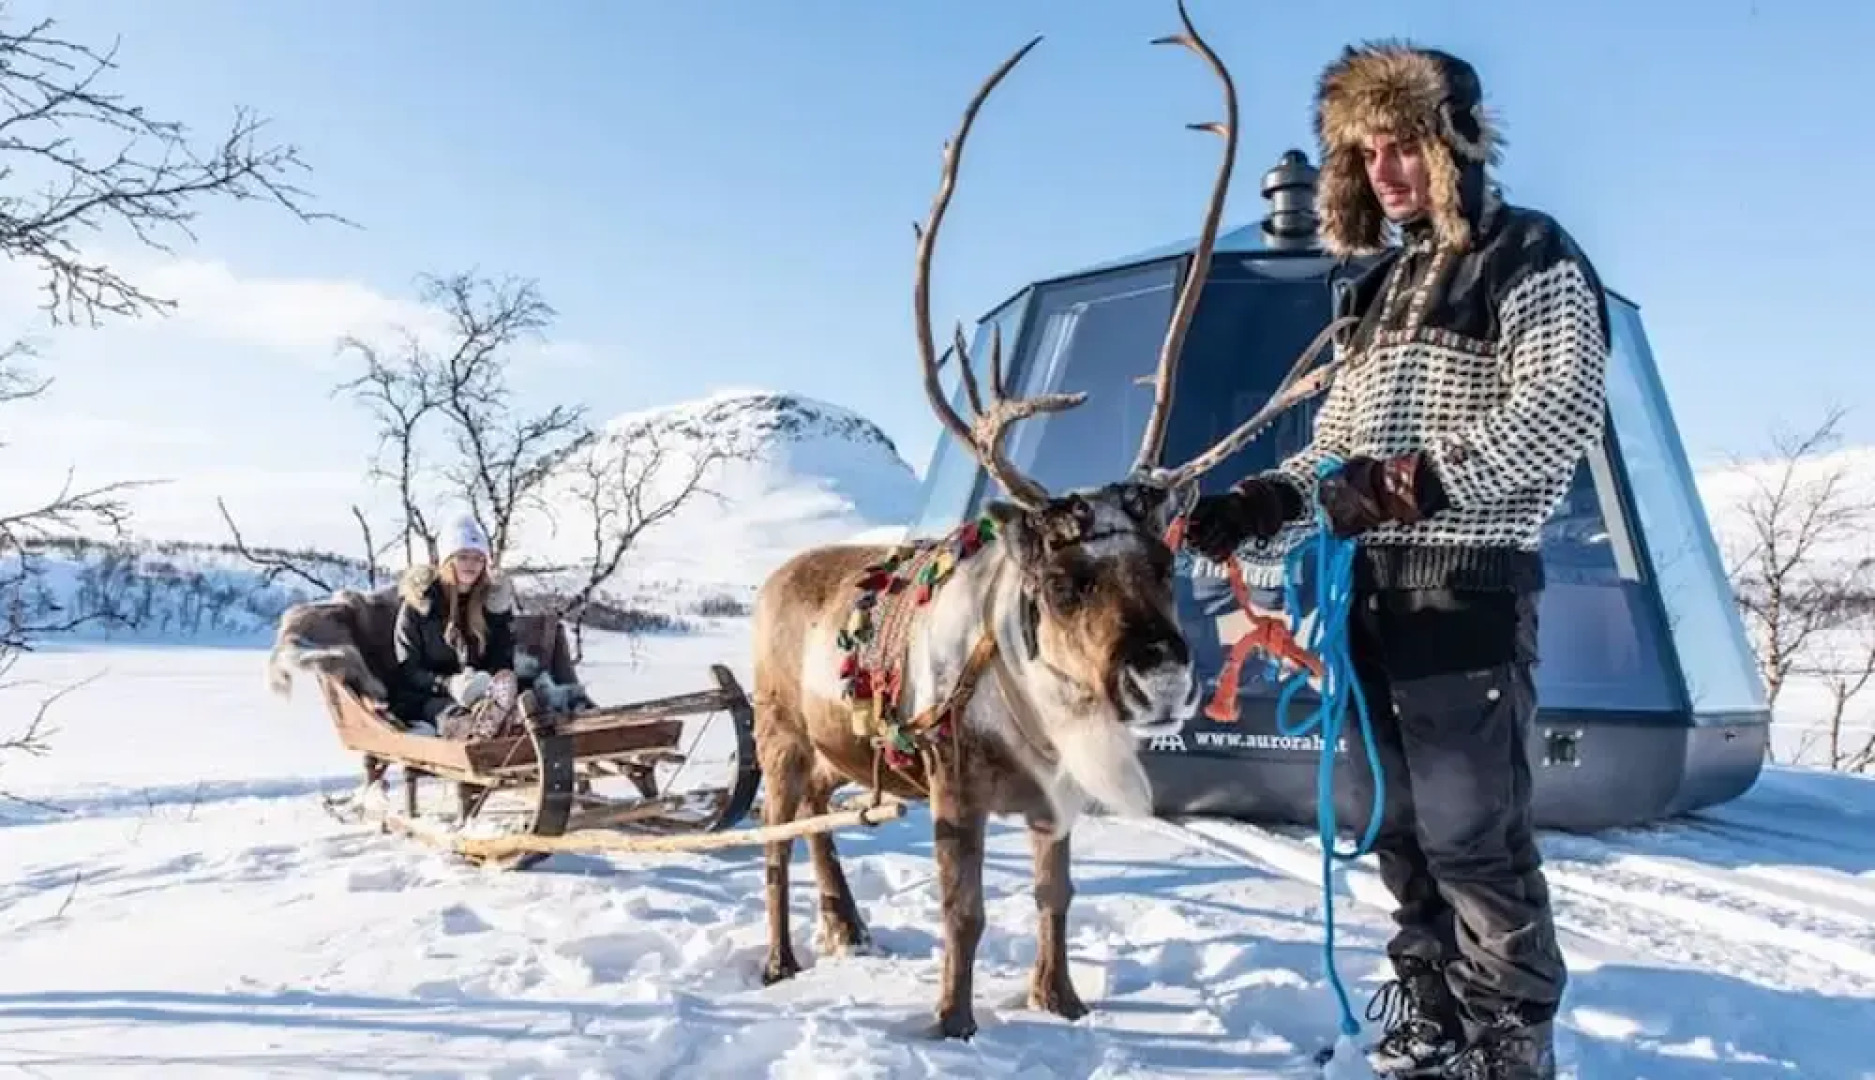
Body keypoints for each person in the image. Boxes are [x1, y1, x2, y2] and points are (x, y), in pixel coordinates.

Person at [1183, 40, 1610, 1080]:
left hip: (1466, 588)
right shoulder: (1378, 291)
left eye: (1406, 144)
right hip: (1372, 597)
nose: (1387, 170)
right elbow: (1339, 447)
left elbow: (1558, 410)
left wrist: (1405, 485)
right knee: (1399, 828)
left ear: (1456, 143)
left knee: (1474, 835)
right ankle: (1434, 1008)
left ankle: (1512, 1035)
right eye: (1368, 152)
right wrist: (1264, 502)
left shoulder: (1530, 253)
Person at [390, 514, 522, 740]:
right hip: (426, 695)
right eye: (463, 557)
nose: (472, 565)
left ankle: (503, 717)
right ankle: (475, 728)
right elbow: (409, 669)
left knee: (507, 703)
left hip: (481, 691)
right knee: (453, 715)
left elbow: (502, 654)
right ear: (448, 560)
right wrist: (448, 684)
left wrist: (486, 681)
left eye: (478, 558)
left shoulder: (490, 604)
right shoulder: (420, 606)